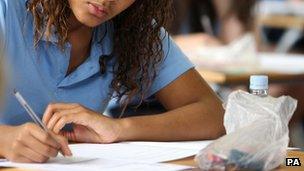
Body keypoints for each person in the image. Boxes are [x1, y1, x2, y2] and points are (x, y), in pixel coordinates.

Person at [0, 0, 225, 163]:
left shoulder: (134, 29)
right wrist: (4, 140)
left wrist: (118, 128)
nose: (106, 1)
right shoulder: (7, 10)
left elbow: (214, 115)